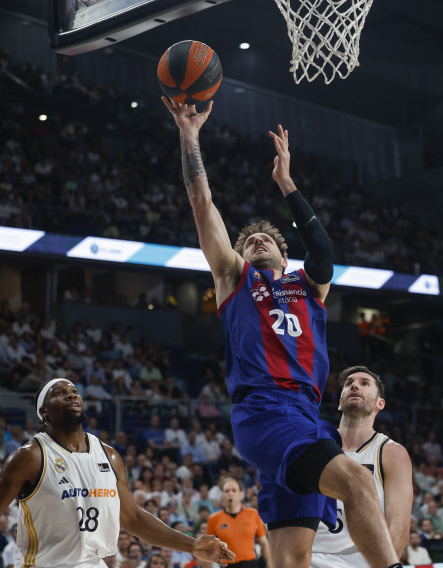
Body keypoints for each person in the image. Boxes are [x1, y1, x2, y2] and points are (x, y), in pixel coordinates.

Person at [161, 98, 402, 568]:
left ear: (282, 254)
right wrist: (189, 136)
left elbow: (325, 250)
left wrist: (287, 184)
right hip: (264, 412)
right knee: (357, 481)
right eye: (248, 240)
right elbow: (200, 201)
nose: (256, 240)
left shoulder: (308, 286)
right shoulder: (235, 279)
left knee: (292, 560)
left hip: (308, 416)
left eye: (266, 237)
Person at [0, 379, 235, 568]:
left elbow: (132, 517)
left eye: (74, 391)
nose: (71, 395)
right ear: (44, 412)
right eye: (60, 393)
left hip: (94, 563)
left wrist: (191, 545)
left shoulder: (109, 455)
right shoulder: (30, 456)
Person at [309, 366, 413, 568]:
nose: (355, 385)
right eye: (349, 384)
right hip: (308, 558)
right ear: (340, 402)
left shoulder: (391, 453)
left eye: (365, 383)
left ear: (379, 403)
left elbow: (398, 531)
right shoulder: (313, 444)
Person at [200, 478, 269, 568]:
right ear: (222, 495)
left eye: (234, 490)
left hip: (250, 564)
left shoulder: (253, 514)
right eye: (227, 491)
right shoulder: (214, 519)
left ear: (241, 494)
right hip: (227, 565)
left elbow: (264, 543)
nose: (230, 493)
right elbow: (209, 549)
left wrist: (270, 564)